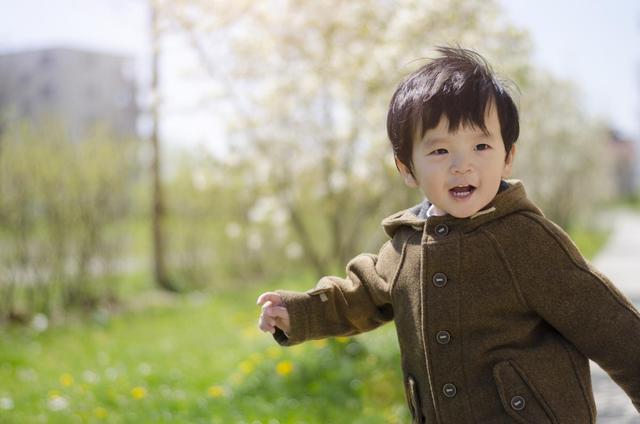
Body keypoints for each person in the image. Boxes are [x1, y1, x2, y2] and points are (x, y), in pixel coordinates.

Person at [256, 47, 640, 423]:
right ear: (407, 168)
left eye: (481, 145)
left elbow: (610, 325)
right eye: (440, 150)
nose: (462, 165)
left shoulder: (526, 238)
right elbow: (359, 296)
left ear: (508, 157)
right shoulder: (407, 245)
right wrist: (298, 312)